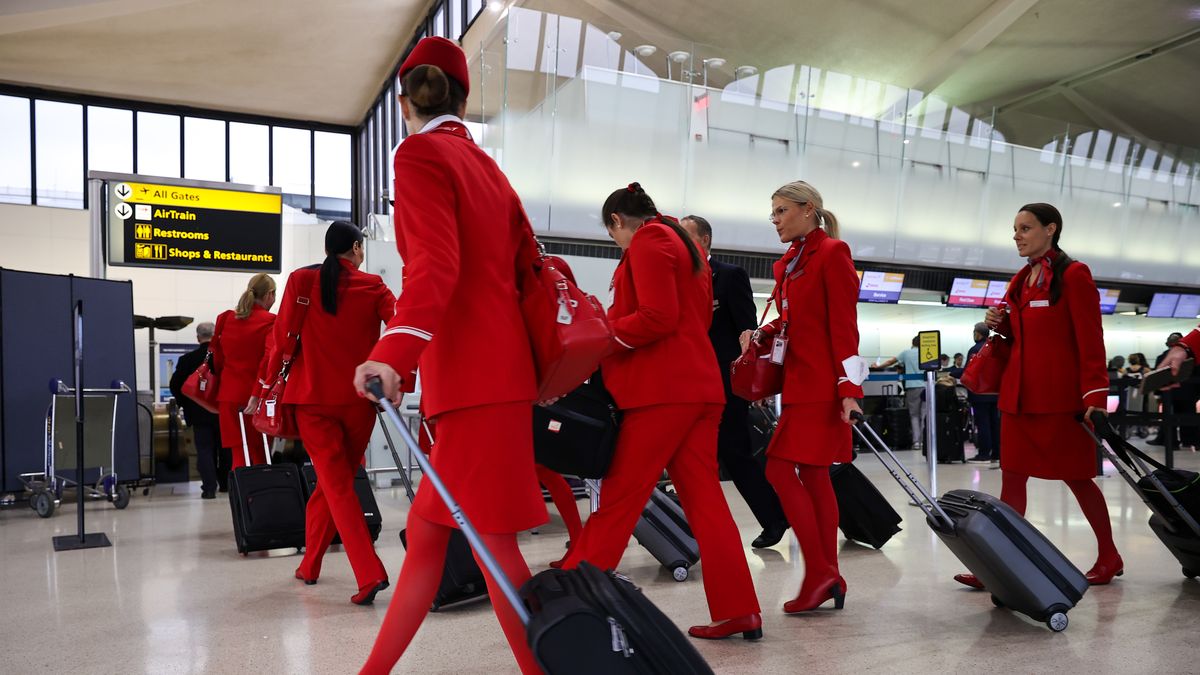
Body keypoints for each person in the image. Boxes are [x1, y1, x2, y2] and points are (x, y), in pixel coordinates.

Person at [354, 37, 548, 674]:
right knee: (431, 544)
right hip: (498, 373)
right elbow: (523, 273)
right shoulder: (488, 167)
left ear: (405, 101)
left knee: (493, 549)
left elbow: (433, 268)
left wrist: (393, 354)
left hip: (468, 377)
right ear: (461, 97)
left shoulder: (419, 154)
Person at [561, 184, 762, 641]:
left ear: (616, 220)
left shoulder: (650, 241)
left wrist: (601, 332)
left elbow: (656, 317)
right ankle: (739, 610)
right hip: (698, 387)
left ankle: (573, 600)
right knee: (707, 504)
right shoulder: (683, 243)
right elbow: (694, 321)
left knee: (619, 498)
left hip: (662, 393)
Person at [953, 203, 1122, 590]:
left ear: (1051, 229)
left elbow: (1090, 340)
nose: (1017, 235)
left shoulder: (1074, 275)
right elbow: (1021, 339)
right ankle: (998, 563)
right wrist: (1003, 324)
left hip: (1061, 401)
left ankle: (1109, 556)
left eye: (1026, 228)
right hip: (1018, 399)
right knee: (1011, 482)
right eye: (1015, 228)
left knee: (1077, 478)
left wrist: (1094, 395)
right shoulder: (1020, 280)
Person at [740, 180, 864, 614]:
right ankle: (827, 573)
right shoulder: (789, 263)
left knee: (777, 469)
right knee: (811, 477)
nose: (774, 219)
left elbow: (845, 326)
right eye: (772, 212)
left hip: (822, 387)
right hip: (798, 384)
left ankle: (821, 572)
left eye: (781, 210)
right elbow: (795, 321)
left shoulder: (832, 253)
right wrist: (764, 332)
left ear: (808, 209)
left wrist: (850, 390)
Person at [262, 221, 395, 604]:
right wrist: (402, 375)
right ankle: (310, 564)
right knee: (332, 483)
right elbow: (401, 324)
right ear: (355, 248)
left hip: (311, 400)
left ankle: (368, 573)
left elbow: (282, 337)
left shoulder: (302, 282)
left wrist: (265, 386)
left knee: (334, 484)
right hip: (359, 402)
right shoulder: (375, 287)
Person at [679, 213, 788, 549]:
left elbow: (746, 330)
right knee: (693, 457)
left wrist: (750, 379)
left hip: (725, 382)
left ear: (705, 239)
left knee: (734, 451)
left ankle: (773, 518)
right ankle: (691, 532)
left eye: (687, 235)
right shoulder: (676, 278)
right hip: (688, 380)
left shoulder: (729, 276)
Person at [212, 273, 276, 469]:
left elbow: (217, 358)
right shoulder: (271, 321)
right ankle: (260, 498)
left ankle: (240, 498)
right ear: (269, 295)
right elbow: (268, 361)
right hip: (257, 397)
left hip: (229, 396)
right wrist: (258, 393)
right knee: (260, 453)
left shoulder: (225, 318)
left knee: (238, 454)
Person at [168, 321, 223, 498]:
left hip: (198, 413)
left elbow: (175, 385)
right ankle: (226, 485)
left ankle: (209, 488)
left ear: (198, 337)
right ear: (215, 336)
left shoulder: (186, 360)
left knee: (204, 450)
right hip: (221, 411)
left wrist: (186, 403)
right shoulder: (223, 357)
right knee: (225, 449)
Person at [873, 335, 924, 449]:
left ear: (912, 343)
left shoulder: (906, 353)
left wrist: (878, 367)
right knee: (925, 415)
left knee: (914, 415)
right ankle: (925, 441)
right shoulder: (926, 353)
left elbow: (891, 361)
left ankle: (916, 442)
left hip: (913, 386)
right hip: (927, 387)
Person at [1152, 332, 1199, 451]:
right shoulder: (1194, 356)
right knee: (1188, 417)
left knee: (1169, 418)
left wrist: (1158, 393)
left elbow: (1158, 375)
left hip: (1170, 393)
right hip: (1188, 392)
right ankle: (1191, 441)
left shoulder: (1162, 357)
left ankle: (1171, 442)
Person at [965, 322, 1001, 464]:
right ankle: (997, 453)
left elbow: (969, 370)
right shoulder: (995, 348)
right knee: (995, 423)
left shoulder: (975, 349)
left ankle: (984, 453)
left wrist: (951, 374)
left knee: (983, 424)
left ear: (978, 333)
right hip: (996, 393)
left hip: (979, 394)